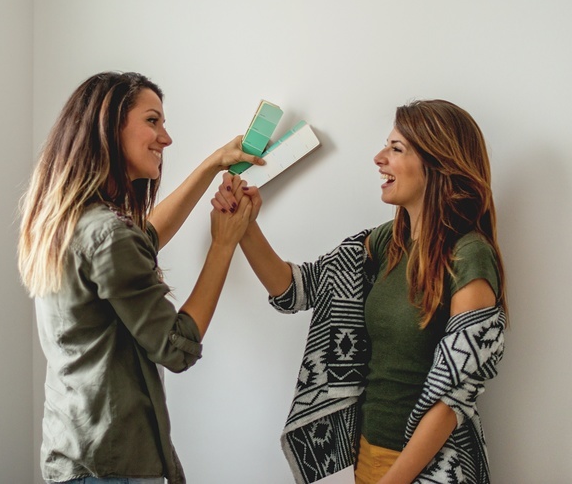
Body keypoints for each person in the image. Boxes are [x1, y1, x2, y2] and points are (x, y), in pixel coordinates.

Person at [213, 99, 507, 483]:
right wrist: (244, 224)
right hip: (368, 457)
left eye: (396, 149)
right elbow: (296, 289)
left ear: (438, 163)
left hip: (434, 469)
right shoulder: (387, 242)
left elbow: (453, 397)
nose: (378, 158)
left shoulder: (470, 256)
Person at [17, 71, 259, 484]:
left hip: (74, 449)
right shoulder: (109, 234)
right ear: (110, 127)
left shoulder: (71, 220)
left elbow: (145, 236)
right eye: (152, 121)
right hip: (111, 465)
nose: (166, 138)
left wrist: (213, 164)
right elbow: (176, 347)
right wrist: (223, 243)